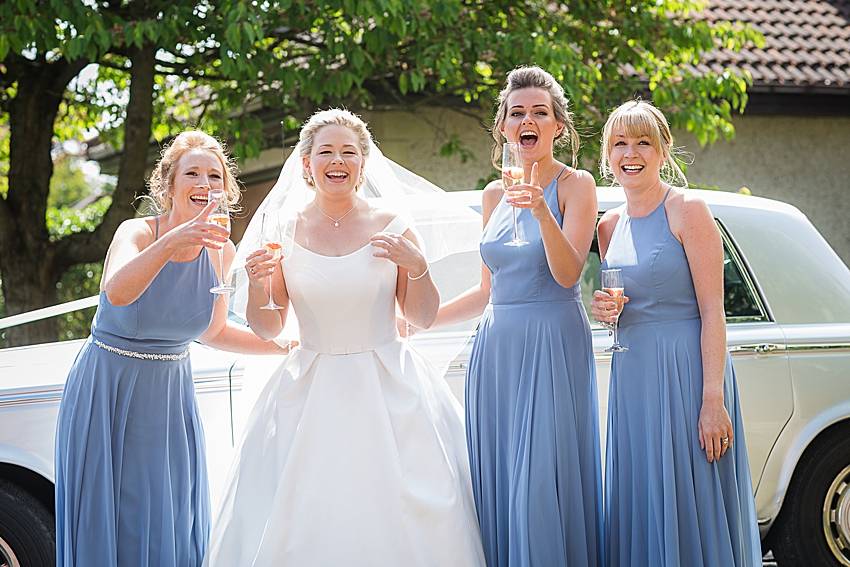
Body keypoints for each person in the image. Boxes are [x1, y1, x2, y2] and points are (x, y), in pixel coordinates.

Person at [203, 109, 485, 566]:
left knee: (411, 509)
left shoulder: (392, 221)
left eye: (348, 152)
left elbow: (421, 315)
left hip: (391, 384)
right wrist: (257, 284)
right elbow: (270, 327)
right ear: (306, 164)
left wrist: (418, 268)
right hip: (310, 387)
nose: (338, 160)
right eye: (326, 151)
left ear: (363, 163)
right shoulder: (283, 229)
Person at [54, 131, 288, 567]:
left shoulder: (222, 250)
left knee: (169, 516)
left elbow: (214, 332)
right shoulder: (138, 232)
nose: (204, 183)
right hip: (109, 393)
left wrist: (287, 346)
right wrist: (173, 241)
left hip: (169, 403)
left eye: (214, 176)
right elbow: (116, 291)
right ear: (169, 185)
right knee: (114, 519)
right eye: (193, 173)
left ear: (225, 190)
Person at [434, 66, 603, 566]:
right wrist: (422, 321)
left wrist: (541, 211)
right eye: (517, 112)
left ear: (558, 127)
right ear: (504, 128)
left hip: (552, 344)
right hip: (497, 351)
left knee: (539, 478)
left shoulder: (577, 185)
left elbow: (569, 274)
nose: (528, 120)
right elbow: (487, 292)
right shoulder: (493, 194)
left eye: (540, 112)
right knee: (504, 477)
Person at [590, 100, 761, 566]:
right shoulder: (607, 226)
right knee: (642, 494)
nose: (632, 152)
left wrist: (712, 399)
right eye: (620, 143)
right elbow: (621, 305)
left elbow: (713, 312)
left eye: (644, 142)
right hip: (635, 378)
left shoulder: (688, 209)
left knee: (693, 499)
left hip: (689, 377)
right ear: (607, 156)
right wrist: (603, 309)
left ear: (664, 151)